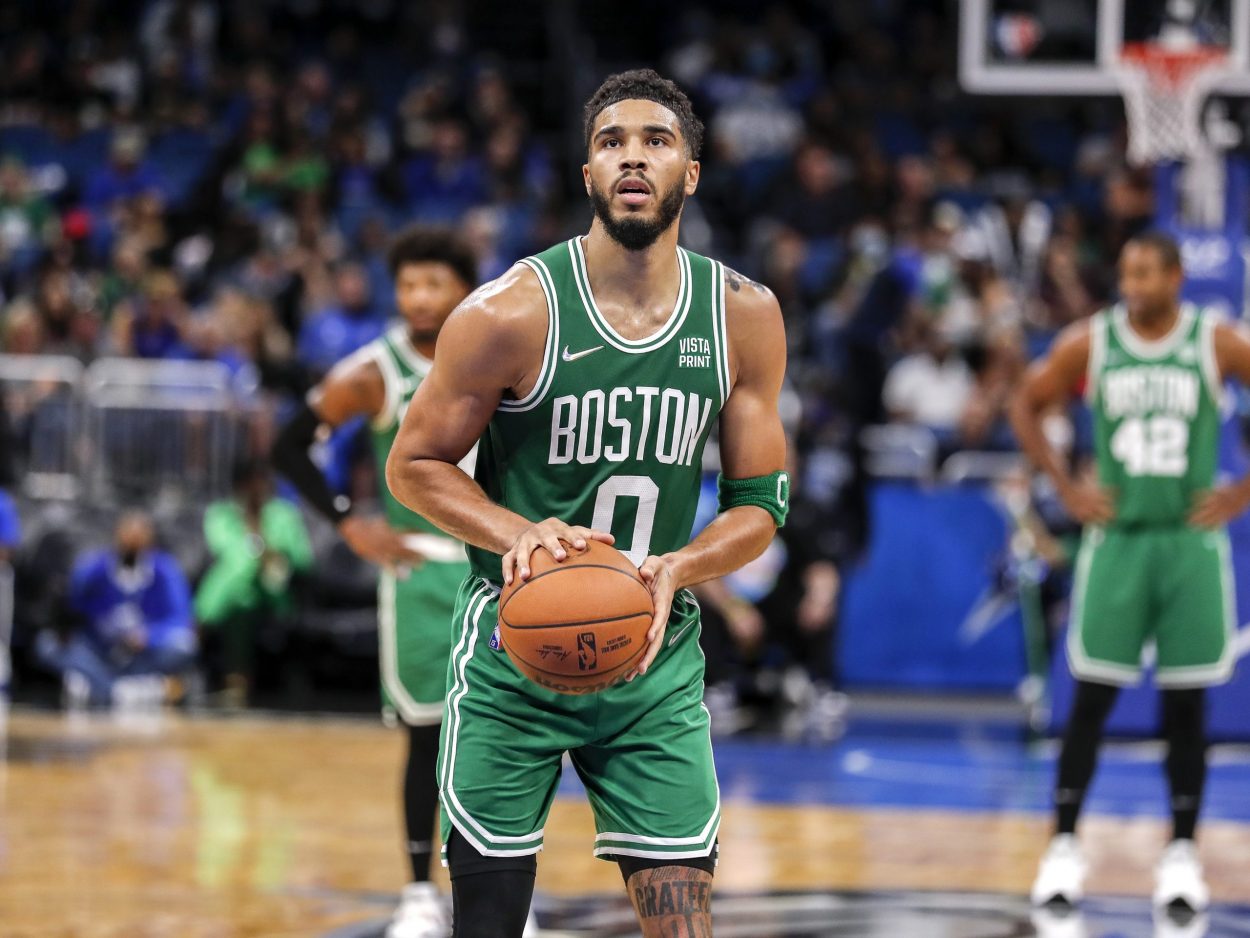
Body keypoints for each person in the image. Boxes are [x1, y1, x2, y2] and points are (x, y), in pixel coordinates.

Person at [386, 69, 789, 938]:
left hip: (653, 656)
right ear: (587, 176)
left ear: (691, 173)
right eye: (611, 143)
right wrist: (519, 532)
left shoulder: (743, 317)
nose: (633, 157)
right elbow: (415, 465)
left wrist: (679, 568)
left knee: (683, 928)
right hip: (511, 651)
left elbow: (760, 504)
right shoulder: (507, 312)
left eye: (657, 141)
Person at [1010, 232, 1249, 912]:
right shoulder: (1093, 341)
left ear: (1175, 277)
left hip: (1189, 543)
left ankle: (1181, 854)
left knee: (1186, 707)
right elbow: (1026, 403)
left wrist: (1241, 493)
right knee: (1089, 700)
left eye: (1145, 272)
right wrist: (1065, 487)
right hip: (1116, 542)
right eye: (1126, 273)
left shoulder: (1217, 341)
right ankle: (1062, 846)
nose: (1132, 284)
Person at [272, 226, 482, 938]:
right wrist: (347, 522)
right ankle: (421, 894)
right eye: (409, 284)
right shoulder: (377, 369)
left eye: (435, 283)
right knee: (426, 738)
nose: (420, 298)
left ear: (465, 289)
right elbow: (287, 442)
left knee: (501, 743)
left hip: (500, 567)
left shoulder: (500, 353)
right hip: (422, 570)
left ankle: (498, 899)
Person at [35, 511, 196, 708]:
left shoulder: (166, 571)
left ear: (150, 540)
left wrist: (148, 636)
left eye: (139, 537)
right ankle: (121, 688)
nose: (132, 543)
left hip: (142, 656)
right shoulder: (93, 567)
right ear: (116, 536)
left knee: (184, 644)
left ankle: (101, 687)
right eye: (128, 536)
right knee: (47, 644)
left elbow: (180, 620)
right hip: (99, 652)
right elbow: (71, 609)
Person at [194, 459, 314, 706]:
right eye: (252, 482)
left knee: (231, 580)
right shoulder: (222, 514)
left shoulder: (284, 513)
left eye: (263, 480)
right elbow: (227, 550)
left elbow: (302, 559)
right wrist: (261, 553)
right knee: (240, 597)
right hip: (241, 592)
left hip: (276, 591)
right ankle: (237, 676)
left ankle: (201, 623)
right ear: (240, 485)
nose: (259, 487)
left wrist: (264, 554)